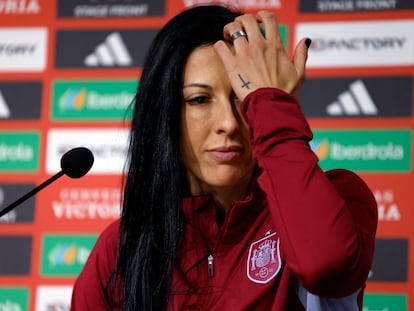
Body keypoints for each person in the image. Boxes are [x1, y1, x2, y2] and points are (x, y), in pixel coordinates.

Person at [70, 4, 377, 311]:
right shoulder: (120, 249)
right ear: (165, 115)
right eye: (200, 100)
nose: (229, 123)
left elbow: (327, 267)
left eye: (244, 98)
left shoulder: (339, 197)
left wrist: (273, 107)